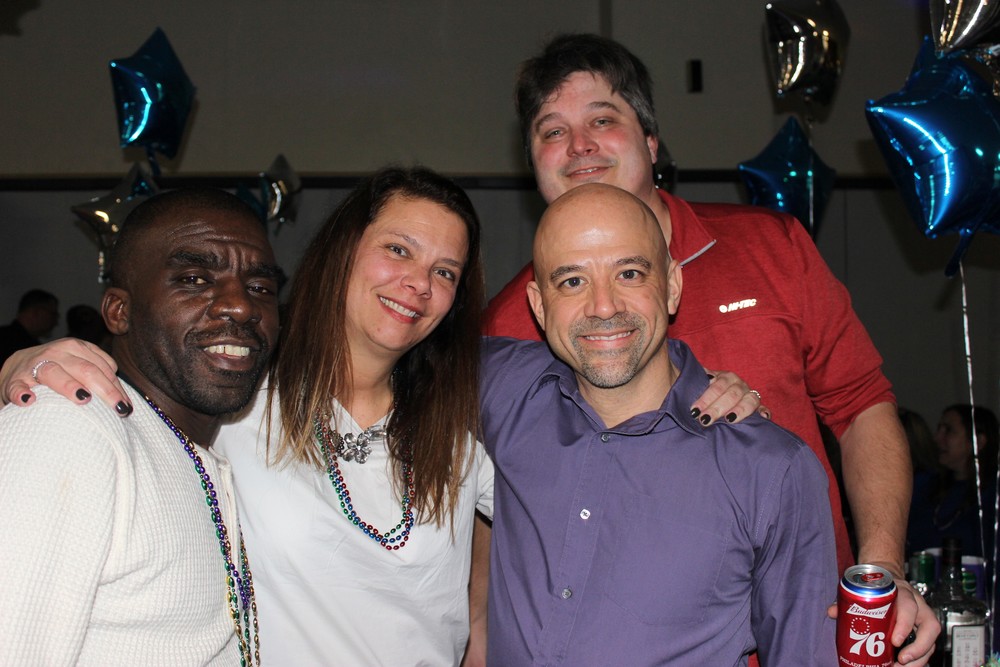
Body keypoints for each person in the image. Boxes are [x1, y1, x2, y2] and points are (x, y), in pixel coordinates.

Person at [481, 33, 937, 663]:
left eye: (602, 120)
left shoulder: (772, 247)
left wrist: (881, 574)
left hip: (804, 631)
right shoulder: (511, 321)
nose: (579, 145)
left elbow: (861, 407)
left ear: (651, 142)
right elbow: (497, 508)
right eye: (552, 131)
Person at [0, 167, 497, 666]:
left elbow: (530, 519)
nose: (419, 283)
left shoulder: (465, 427)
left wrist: (479, 617)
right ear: (342, 252)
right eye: (398, 249)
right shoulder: (235, 396)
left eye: (445, 272)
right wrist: (23, 366)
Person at [481, 183, 839, 664]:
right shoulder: (504, 387)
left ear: (672, 285)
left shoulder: (771, 470)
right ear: (539, 305)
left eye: (629, 273)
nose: (603, 306)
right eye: (572, 281)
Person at [0, 188, 282, 665]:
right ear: (119, 311)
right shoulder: (68, 427)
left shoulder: (198, 441)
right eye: (194, 279)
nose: (241, 306)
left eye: (260, 288)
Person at [907, 404, 999, 558]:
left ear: (977, 441)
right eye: (939, 429)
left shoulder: (992, 496)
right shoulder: (925, 484)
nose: (937, 438)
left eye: (948, 430)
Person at [0, 288, 59, 364]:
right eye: (53, 314)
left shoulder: (7, 338)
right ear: (36, 312)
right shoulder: (28, 348)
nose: (56, 322)